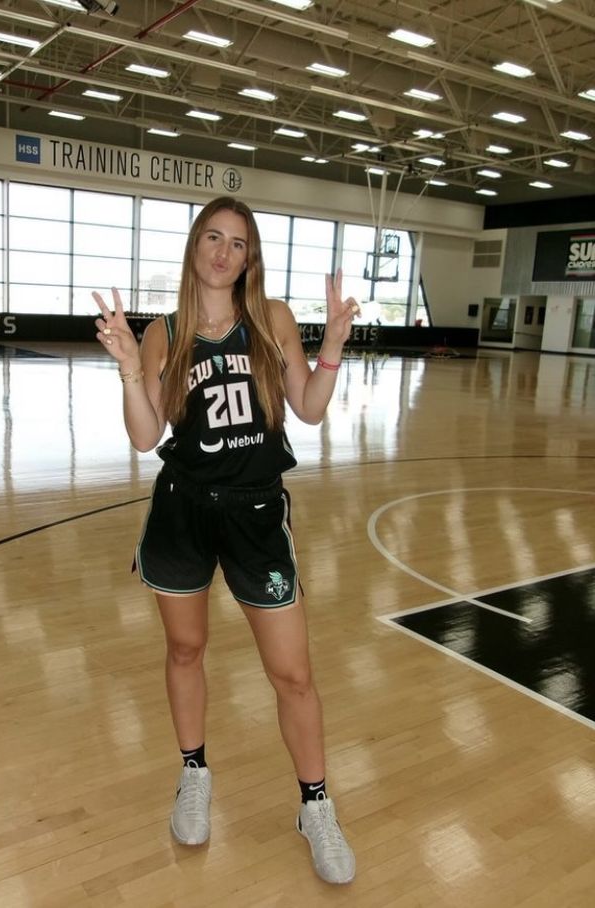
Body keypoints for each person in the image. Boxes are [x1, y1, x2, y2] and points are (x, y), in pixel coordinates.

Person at [93, 195, 360, 885]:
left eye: (236, 243)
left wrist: (329, 346)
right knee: (185, 649)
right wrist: (128, 365)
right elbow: (145, 435)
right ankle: (193, 774)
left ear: (250, 258)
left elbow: (306, 409)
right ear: (193, 246)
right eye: (211, 237)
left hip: (256, 515)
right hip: (182, 511)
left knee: (293, 676)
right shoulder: (164, 331)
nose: (222, 251)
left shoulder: (270, 320)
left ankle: (315, 805)